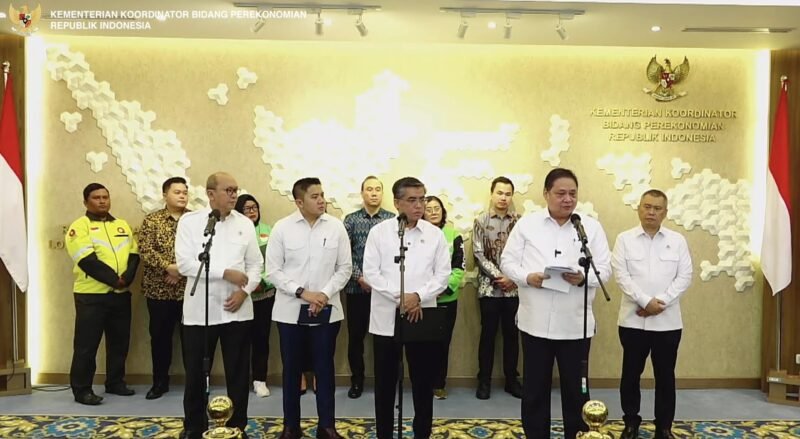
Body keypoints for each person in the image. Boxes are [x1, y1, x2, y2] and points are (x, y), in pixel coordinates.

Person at [500, 168, 612, 439]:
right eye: (561, 193)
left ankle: (579, 435)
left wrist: (582, 278)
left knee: (577, 391)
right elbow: (507, 262)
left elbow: (605, 271)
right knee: (535, 390)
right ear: (546, 194)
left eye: (573, 193)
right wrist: (528, 277)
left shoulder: (590, 227)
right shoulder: (528, 224)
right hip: (535, 323)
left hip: (575, 325)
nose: (567, 199)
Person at [176, 172, 263, 439]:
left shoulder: (244, 223)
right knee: (195, 373)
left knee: (238, 374)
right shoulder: (191, 222)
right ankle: (194, 426)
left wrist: (244, 292)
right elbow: (185, 264)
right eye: (228, 190)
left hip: (237, 311)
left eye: (236, 190)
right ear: (211, 194)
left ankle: (237, 427)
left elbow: (256, 265)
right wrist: (224, 273)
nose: (234, 195)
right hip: (200, 312)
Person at [364, 177, 451, 439]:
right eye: (412, 200)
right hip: (386, 317)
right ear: (397, 202)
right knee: (385, 383)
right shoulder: (379, 233)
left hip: (421, 315)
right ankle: (384, 434)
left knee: (423, 383)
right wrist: (401, 297)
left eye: (422, 199)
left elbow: (443, 275)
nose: (419, 205)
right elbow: (371, 272)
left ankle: (422, 432)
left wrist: (418, 297)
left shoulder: (434, 234)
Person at [266, 177, 352, 439]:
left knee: (324, 370)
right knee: (291, 371)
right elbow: (273, 271)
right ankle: (291, 426)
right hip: (290, 311)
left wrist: (323, 295)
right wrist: (303, 293)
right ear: (299, 202)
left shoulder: (336, 227)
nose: (321, 200)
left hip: (327, 311)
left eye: (322, 195)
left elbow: (344, 268)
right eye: (315, 196)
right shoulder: (282, 228)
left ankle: (327, 426)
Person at [612, 190, 692, 439]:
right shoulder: (624, 239)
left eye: (657, 208)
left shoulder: (677, 240)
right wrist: (646, 302)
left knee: (665, 376)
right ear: (639, 208)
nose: (651, 212)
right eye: (647, 207)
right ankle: (630, 423)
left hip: (668, 322)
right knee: (630, 375)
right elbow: (621, 275)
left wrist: (661, 302)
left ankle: (664, 426)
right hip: (632, 320)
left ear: (665, 213)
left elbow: (685, 276)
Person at [65, 183, 140, 405]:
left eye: (105, 197)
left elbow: (134, 254)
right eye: (96, 197)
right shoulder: (79, 227)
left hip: (120, 295)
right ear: (86, 202)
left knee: (119, 343)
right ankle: (82, 390)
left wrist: (126, 279)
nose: (102, 201)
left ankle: (115, 382)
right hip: (91, 296)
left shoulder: (121, 225)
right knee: (86, 346)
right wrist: (114, 280)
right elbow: (86, 260)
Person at [342, 176, 395, 399]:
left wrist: (379, 282)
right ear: (362, 193)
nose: (374, 193)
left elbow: (394, 256)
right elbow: (344, 255)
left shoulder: (392, 220)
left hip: (385, 291)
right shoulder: (351, 220)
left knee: (386, 337)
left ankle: (387, 380)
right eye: (369, 189)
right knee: (356, 338)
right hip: (357, 289)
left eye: (378, 189)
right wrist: (360, 277)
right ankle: (357, 380)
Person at [138, 177, 190, 400]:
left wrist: (181, 271)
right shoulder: (152, 220)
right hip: (158, 291)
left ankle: (195, 383)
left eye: (185, 192)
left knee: (192, 340)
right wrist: (168, 268)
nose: (182, 196)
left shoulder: (195, 220)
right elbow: (145, 250)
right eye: (177, 192)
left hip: (189, 291)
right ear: (165, 195)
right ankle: (160, 382)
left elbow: (204, 250)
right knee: (160, 339)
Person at [472, 176, 522, 399]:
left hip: (514, 288)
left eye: (508, 194)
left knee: (512, 335)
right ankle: (484, 381)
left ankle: (512, 380)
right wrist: (498, 275)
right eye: (499, 193)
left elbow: (525, 253)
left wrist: (511, 277)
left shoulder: (520, 222)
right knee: (488, 335)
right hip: (488, 288)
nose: (503, 197)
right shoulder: (481, 221)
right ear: (492, 194)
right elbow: (478, 253)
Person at [423, 195, 465, 400]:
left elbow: (459, 267)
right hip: (423, 300)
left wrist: (444, 288)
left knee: (442, 343)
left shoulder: (453, 235)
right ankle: (422, 384)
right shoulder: (418, 235)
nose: (433, 212)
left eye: (437, 208)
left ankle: (439, 384)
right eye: (428, 209)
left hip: (446, 300)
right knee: (422, 345)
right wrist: (427, 291)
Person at [235, 194, 276, 398]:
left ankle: (260, 380)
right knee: (239, 341)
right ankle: (239, 381)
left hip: (264, 295)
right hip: (240, 296)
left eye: (254, 207)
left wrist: (262, 282)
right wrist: (249, 283)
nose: (252, 212)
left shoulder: (269, 231)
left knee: (261, 339)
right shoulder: (234, 231)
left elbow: (275, 263)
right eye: (247, 208)